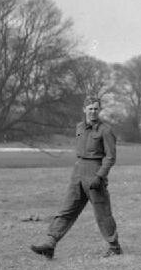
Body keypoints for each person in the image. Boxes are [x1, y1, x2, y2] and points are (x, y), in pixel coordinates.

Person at [30, 96, 122, 259]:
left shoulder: (105, 130)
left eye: (96, 108)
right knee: (66, 209)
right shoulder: (79, 127)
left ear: (99, 110)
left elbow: (110, 157)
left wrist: (100, 176)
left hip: (95, 172)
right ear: (84, 109)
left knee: (102, 213)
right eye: (90, 108)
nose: (93, 112)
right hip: (78, 171)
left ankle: (114, 247)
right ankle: (51, 243)